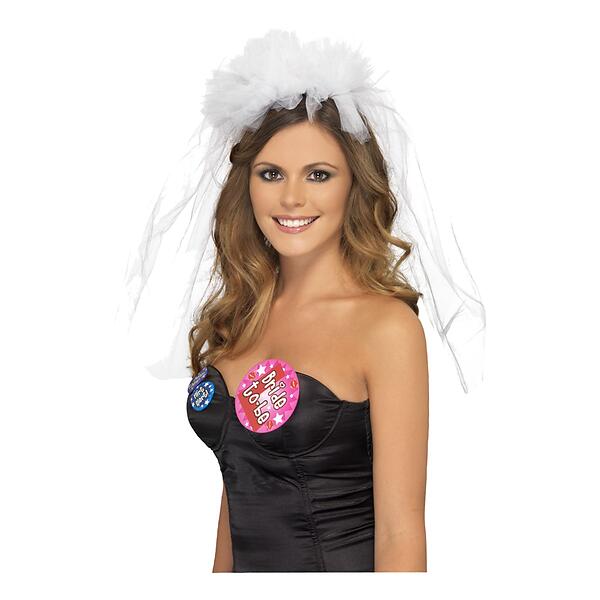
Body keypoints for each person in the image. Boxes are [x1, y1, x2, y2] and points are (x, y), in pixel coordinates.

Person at [119, 29, 485, 572]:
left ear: (353, 186)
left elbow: (402, 532)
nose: (292, 197)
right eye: (271, 174)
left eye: (318, 175)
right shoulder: (241, 315)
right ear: (247, 185)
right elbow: (237, 496)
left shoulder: (385, 328)